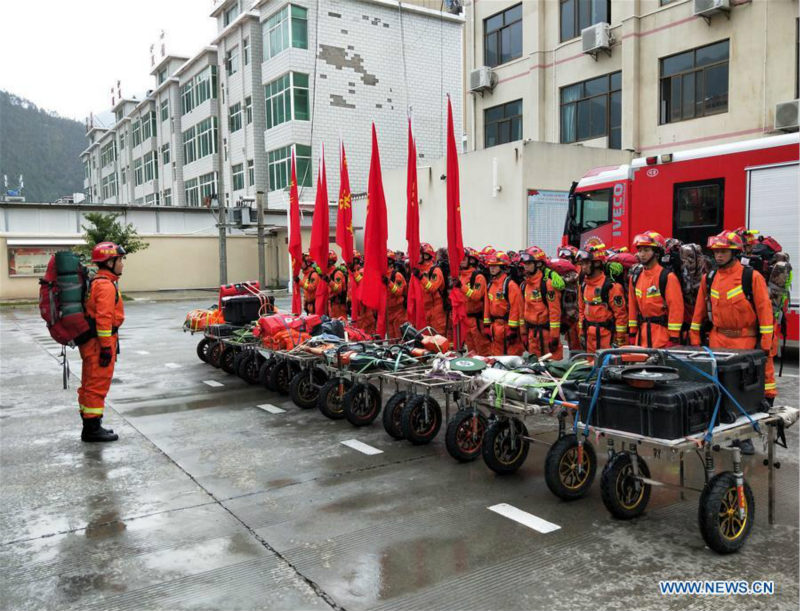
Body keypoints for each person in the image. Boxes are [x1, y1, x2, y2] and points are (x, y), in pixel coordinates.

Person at [689, 231, 775, 398]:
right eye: (716, 252)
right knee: (718, 386)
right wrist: (694, 338)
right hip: (717, 340)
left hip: (745, 342)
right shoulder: (709, 278)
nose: (718, 256)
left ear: (735, 253)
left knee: (745, 388)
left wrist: (765, 343)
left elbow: (765, 313)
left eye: (723, 252)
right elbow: (698, 312)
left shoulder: (751, 277)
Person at [78, 241, 126, 442]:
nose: (122, 264)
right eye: (120, 259)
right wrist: (107, 348)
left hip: (93, 343)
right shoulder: (105, 285)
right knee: (97, 385)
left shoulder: (98, 282)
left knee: (90, 384)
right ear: (109, 262)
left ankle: (91, 425)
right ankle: (92, 429)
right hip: (99, 344)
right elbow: (104, 320)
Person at [627, 231, 684, 348]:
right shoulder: (635, 277)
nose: (641, 254)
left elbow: (676, 309)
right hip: (641, 337)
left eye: (646, 250)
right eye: (640, 250)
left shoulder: (668, 277)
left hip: (662, 337)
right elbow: (632, 307)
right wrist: (632, 333)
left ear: (657, 252)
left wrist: (673, 337)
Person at [577, 243, 627, 353]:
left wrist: (620, 340)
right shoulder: (583, 286)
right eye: (582, 264)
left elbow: (621, 316)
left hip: (607, 337)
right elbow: (581, 311)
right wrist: (581, 333)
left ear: (596, 263)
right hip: (589, 337)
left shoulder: (611, 287)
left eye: (586, 263)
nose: (583, 267)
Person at [482, 251, 523, 356]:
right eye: (491, 266)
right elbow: (487, 305)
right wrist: (486, 325)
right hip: (495, 328)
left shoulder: (510, 285)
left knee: (511, 358)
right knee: (496, 357)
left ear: (503, 267)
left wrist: (513, 328)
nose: (492, 268)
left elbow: (516, 307)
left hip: (507, 327)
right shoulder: (491, 285)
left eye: (495, 266)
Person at [520, 246, 556, 358]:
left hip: (546, 334)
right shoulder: (524, 285)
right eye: (525, 263)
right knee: (534, 367)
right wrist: (523, 333)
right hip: (532, 334)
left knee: (550, 369)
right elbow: (523, 310)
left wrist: (554, 336)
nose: (525, 265)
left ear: (538, 264)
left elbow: (555, 311)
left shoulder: (547, 284)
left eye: (529, 263)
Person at [457, 247, 490, 354]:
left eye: (464, 258)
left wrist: (461, 287)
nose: (461, 261)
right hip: (465, 319)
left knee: (482, 349)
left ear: (471, 260)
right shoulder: (460, 276)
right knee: (471, 351)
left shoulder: (478, 277)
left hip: (477, 320)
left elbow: (476, 296)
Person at [414, 243, 447, 335]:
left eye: (419, 254)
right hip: (425, 310)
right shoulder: (419, 271)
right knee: (427, 340)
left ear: (426, 255)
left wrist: (421, 278)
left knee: (438, 338)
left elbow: (432, 288)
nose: (417, 257)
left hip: (436, 310)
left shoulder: (436, 270)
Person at [384, 250, 407, 338]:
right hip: (387, 312)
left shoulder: (397, 275)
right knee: (391, 339)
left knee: (399, 336)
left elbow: (398, 292)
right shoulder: (382, 276)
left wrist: (389, 283)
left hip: (398, 312)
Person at [327, 251, 348, 319]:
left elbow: (338, 289)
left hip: (338, 306)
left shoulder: (337, 273)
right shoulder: (329, 273)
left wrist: (329, 281)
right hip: (332, 305)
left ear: (330, 262)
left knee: (340, 326)